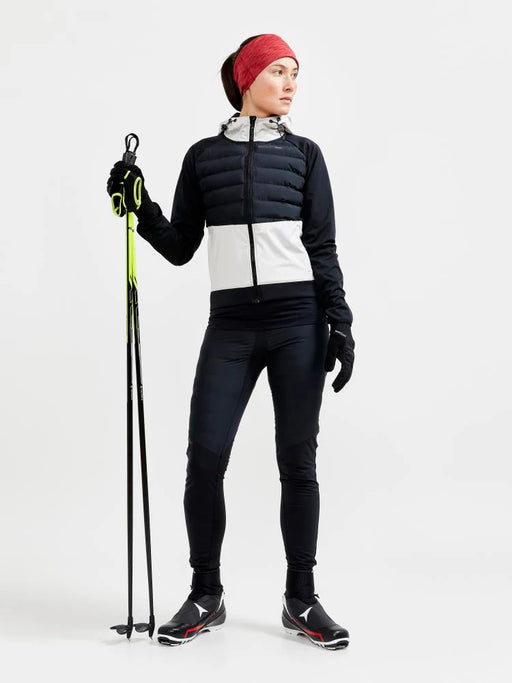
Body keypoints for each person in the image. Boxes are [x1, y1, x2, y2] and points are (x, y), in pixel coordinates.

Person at [106, 33, 354, 651]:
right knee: (205, 459)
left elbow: (322, 246)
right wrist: (140, 205)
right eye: (278, 71)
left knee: (297, 462)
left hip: (299, 320)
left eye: (295, 72)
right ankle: (206, 594)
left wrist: (341, 321)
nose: (290, 83)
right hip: (232, 324)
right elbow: (180, 246)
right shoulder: (203, 158)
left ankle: (301, 598)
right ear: (247, 79)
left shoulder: (305, 155)